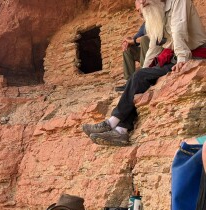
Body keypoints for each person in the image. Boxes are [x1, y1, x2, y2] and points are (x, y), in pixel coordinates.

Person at [82, 0, 206, 146]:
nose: (142, 2)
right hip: (174, 57)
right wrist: (145, 69)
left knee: (139, 77)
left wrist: (182, 59)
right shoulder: (156, 9)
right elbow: (154, 45)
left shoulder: (179, 1)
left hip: (193, 55)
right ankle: (121, 130)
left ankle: (112, 122)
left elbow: (179, 30)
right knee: (139, 78)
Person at [116, 0, 150, 92]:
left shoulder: (157, 16)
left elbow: (154, 38)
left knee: (145, 40)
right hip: (147, 53)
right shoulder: (145, 24)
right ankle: (129, 82)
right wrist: (127, 41)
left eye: (139, 10)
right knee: (128, 49)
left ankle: (143, 77)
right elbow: (135, 38)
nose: (139, 13)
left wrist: (134, 41)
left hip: (159, 52)